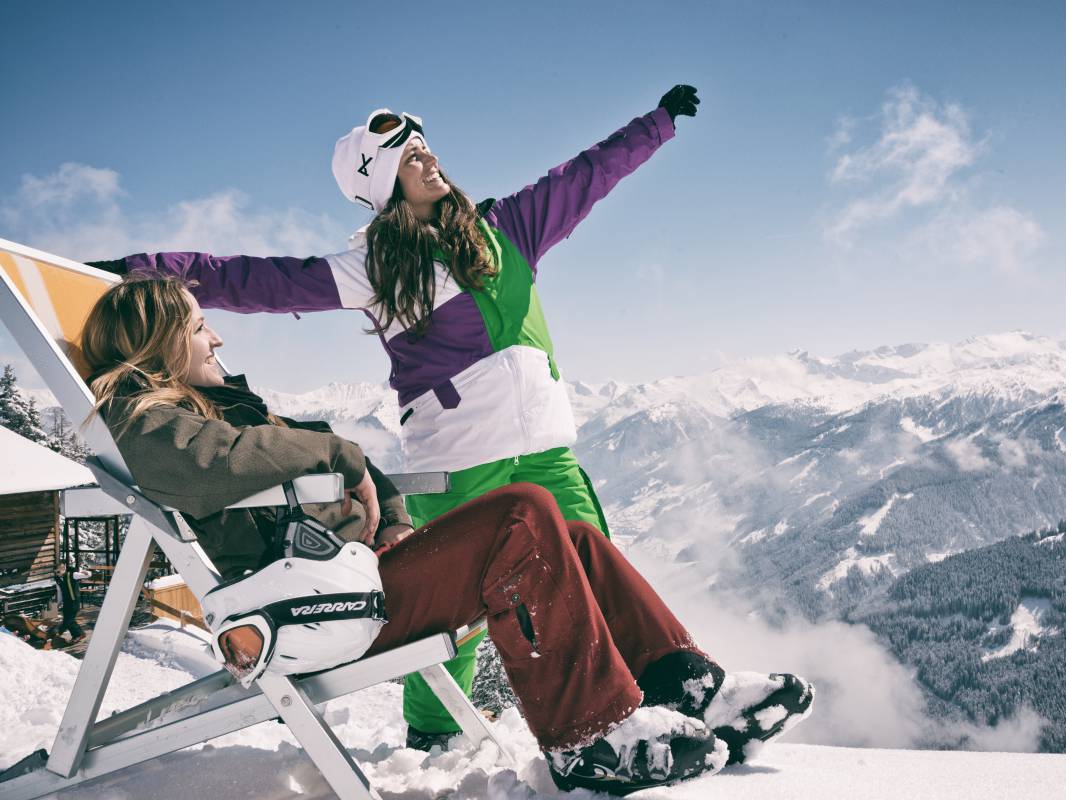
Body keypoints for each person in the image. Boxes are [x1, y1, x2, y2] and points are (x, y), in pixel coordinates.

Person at [86, 85, 703, 747]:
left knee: (590, 558)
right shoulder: (374, 269)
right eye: (410, 158)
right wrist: (140, 268)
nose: (430, 160)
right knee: (471, 608)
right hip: (459, 455)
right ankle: (437, 733)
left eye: (426, 148)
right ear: (383, 184)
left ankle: (677, 689)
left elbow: (585, 175)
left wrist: (657, 122)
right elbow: (252, 278)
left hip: (546, 447)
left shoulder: (507, 230)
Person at [79, 275, 813, 794]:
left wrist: (389, 516)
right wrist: (343, 458)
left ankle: (690, 689)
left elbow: (332, 466)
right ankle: (588, 738)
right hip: (311, 615)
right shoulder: (144, 421)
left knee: (575, 539)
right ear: (159, 340)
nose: (216, 334)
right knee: (522, 510)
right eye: (198, 324)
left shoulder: (220, 405)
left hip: (351, 583)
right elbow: (227, 464)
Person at [53, 561, 92, 642]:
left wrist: (86, 572)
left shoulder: (72, 575)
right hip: (66, 602)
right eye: (55, 572)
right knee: (68, 618)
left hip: (74, 601)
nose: (57, 574)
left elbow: (88, 575)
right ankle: (78, 634)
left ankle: (58, 633)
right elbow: (59, 592)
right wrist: (58, 603)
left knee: (68, 620)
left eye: (58, 572)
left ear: (63, 569)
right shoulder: (58, 580)